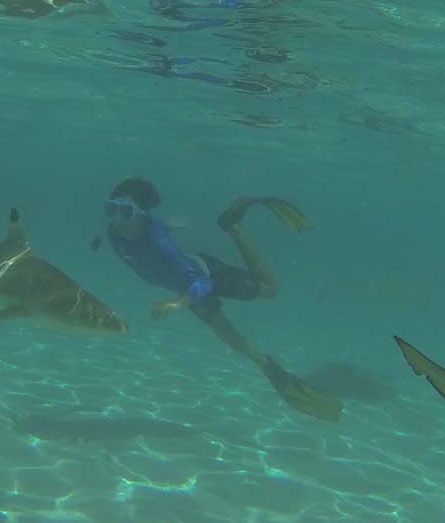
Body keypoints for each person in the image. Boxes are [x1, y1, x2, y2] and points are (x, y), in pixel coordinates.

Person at [101, 177, 343, 422]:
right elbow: (151, 237)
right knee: (227, 333)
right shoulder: (115, 233)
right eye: (111, 209)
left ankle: (233, 227)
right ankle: (268, 367)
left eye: (125, 212)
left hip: (206, 275)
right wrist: (171, 226)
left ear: (141, 214)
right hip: (185, 286)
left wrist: (176, 304)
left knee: (271, 290)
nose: (117, 220)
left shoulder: (160, 244)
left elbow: (202, 283)